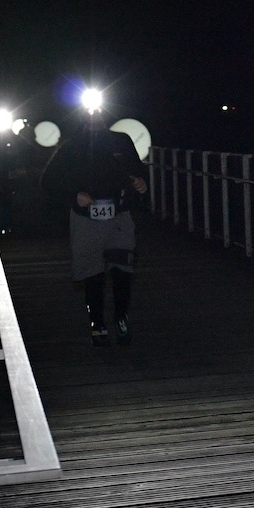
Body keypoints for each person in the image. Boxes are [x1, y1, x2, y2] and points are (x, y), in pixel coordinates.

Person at [39, 111, 148, 347]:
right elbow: (48, 180)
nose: (94, 118)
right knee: (92, 272)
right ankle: (97, 323)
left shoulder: (122, 140)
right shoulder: (72, 146)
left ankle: (121, 317)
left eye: (98, 112)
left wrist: (140, 182)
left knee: (122, 266)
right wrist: (74, 196)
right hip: (87, 217)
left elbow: (138, 170)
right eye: (88, 114)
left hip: (120, 214)